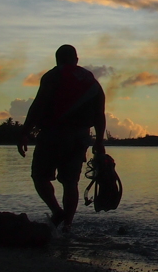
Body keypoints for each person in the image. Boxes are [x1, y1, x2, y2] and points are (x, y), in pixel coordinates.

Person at [17, 45, 106, 229]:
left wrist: (25, 132)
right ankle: (68, 225)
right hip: (80, 137)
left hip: (52, 135)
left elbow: (38, 105)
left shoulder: (52, 76)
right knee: (70, 182)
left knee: (40, 177)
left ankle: (57, 211)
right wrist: (98, 141)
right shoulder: (91, 81)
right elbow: (100, 112)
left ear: (57, 59)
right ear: (76, 59)